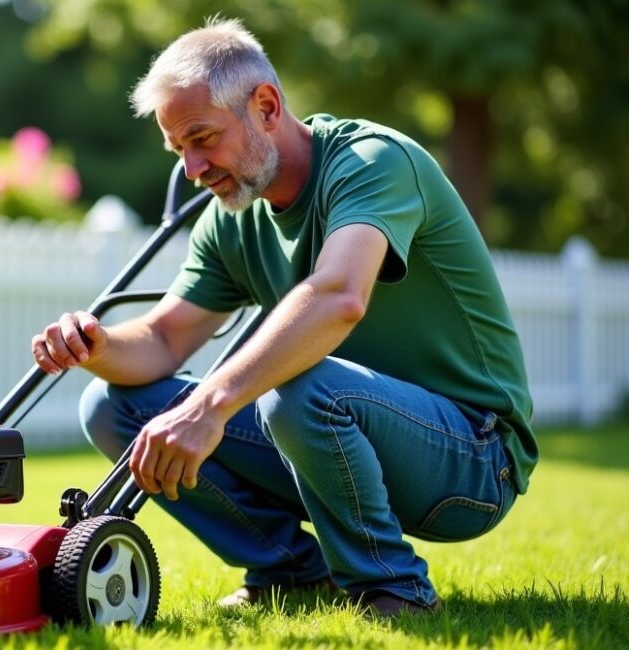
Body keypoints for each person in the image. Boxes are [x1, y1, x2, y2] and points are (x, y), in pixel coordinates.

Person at [31, 18, 536, 617]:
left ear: (265, 105)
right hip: (341, 431)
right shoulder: (231, 217)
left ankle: (392, 589)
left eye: (202, 137)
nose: (192, 167)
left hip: (474, 459)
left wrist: (209, 405)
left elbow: (337, 296)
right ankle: (290, 573)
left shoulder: (372, 162)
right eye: (179, 150)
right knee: (114, 406)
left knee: (299, 389)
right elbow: (166, 338)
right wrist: (96, 345)